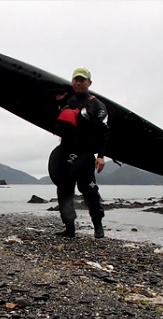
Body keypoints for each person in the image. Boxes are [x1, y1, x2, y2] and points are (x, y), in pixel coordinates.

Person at [48, 67, 110, 238]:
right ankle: (69, 228)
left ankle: (98, 226)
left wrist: (101, 156)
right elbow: (53, 121)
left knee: (88, 189)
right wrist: (57, 102)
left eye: (82, 80)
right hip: (66, 151)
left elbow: (104, 132)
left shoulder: (97, 105)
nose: (78, 82)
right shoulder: (68, 101)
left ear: (89, 83)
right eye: (75, 79)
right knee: (64, 190)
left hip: (85, 153)